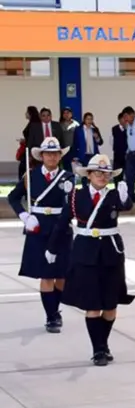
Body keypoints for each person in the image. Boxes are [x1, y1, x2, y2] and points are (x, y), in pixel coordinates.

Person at [47, 154, 135, 366]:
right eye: (98, 172)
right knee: (92, 306)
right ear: (88, 175)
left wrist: (126, 198)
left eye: (106, 174)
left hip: (110, 254)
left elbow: (126, 206)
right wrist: (52, 248)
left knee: (111, 306)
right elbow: (62, 222)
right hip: (85, 254)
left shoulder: (114, 195)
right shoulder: (76, 197)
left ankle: (102, 344)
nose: (102, 177)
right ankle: (98, 349)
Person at [7, 137, 75, 333]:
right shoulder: (31, 176)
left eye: (55, 153)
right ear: (42, 156)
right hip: (38, 228)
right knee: (45, 275)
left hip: (60, 227)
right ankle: (51, 316)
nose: (52, 157)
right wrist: (24, 216)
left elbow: (70, 204)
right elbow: (13, 197)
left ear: (60, 155)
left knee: (61, 275)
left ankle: (55, 310)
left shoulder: (67, 177)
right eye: (48, 153)